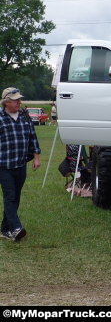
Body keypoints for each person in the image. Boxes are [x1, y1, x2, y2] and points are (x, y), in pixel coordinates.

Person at [0, 87, 41, 241]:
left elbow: (32, 136)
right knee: (10, 196)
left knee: (15, 197)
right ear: (6, 102)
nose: (19, 102)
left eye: (19, 99)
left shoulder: (24, 115)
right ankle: (16, 227)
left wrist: (36, 157)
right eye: (15, 100)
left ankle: (5, 229)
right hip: (3, 165)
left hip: (20, 164)